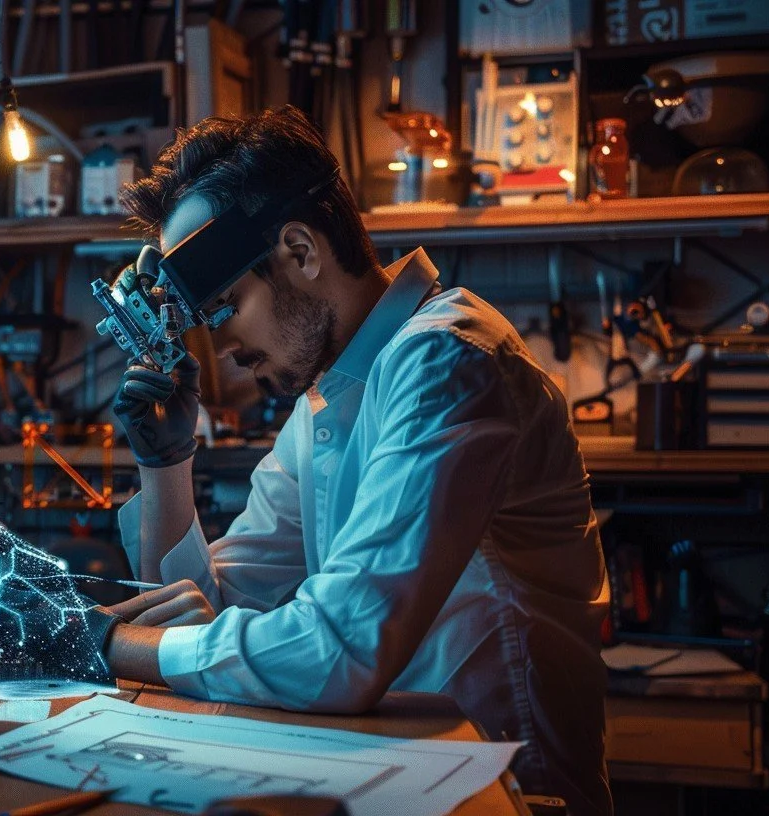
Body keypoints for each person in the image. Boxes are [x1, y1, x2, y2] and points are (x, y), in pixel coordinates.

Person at [98, 106, 613, 815]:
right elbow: (203, 616)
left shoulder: (447, 361)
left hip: (506, 792)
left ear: (302, 251)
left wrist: (108, 644)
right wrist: (166, 464)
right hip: (391, 777)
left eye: (225, 308)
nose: (219, 348)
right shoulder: (331, 399)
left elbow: (338, 650)